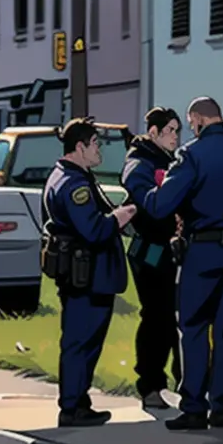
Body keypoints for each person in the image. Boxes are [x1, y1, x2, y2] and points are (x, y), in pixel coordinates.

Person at [139, 97, 223, 430]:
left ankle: (195, 406)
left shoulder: (191, 154)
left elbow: (161, 205)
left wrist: (144, 192)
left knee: (194, 328)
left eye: (191, 122)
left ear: (198, 119)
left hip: (203, 250)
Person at [42, 117, 137, 427]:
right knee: (81, 342)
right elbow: (94, 230)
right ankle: (72, 406)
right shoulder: (75, 185)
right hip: (87, 276)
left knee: (81, 341)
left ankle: (79, 401)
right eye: (96, 144)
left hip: (81, 274)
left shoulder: (64, 175)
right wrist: (121, 215)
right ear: (80, 147)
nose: (100, 151)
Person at [120, 107, 184, 410]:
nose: (175, 136)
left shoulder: (170, 161)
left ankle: (176, 379)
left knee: (171, 318)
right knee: (156, 317)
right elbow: (147, 200)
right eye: (170, 130)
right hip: (149, 250)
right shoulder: (140, 163)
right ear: (154, 132)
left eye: (177, 130)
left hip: (168, 248)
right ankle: (150, 385)